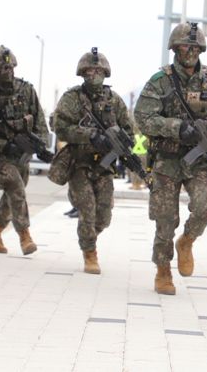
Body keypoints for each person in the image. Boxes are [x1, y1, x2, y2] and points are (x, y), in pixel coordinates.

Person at [134, 22, 207, 295]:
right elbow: (143, 117)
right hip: (168, 158)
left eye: (195, 46)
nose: (190, 51)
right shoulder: (160, 80)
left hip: (200, 160)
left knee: (203, 209)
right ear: (175, 48)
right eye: (185, 46)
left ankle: (186, 241)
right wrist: (177, 128)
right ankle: (163, 270)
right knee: (165, 220)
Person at [52, 48, 133, 274]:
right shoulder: (72, 98)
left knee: (104, 216)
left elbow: (128, 129)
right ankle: (90, 253)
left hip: (105, 166)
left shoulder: (115, 101)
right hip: (79, 163)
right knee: (87, 209)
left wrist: (121, 143)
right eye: (89, 70)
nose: (94, 73)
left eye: (98, 70)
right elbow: (60, 127)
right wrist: (90, 135)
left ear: (105, 72)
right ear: (82, 72)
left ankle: (87, 236)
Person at [0, 45, 49, 256]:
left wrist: (41, 144)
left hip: (21, 153)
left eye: (9, 67)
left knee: (14, 193)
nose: (7, 71)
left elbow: (39, 119)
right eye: (1, 69)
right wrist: (3, 144)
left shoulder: (26, 90)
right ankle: (24, 235)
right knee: (15, 186)